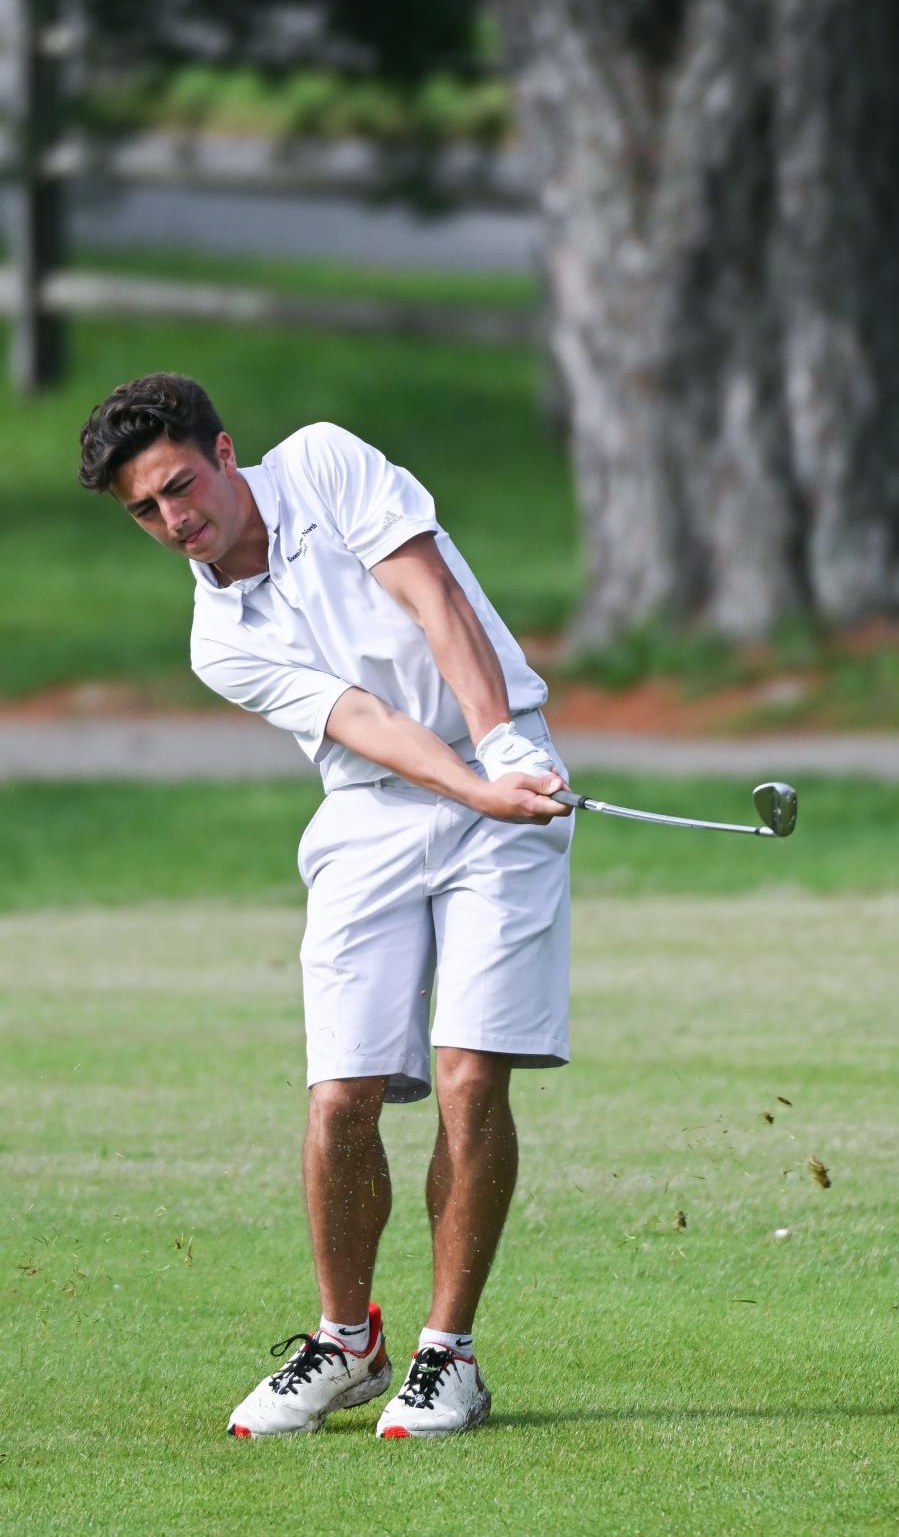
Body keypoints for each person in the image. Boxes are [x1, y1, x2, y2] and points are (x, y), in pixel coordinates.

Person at [78, 373, 574, 1440]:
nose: (175, 520)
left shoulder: (324, 461)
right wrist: (469, 781)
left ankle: (450, 1357)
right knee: (339, 1096)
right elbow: (362, 720)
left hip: (504, 761)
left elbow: (431, 596)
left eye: (179, 486)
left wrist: (501, 756)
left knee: (468, 1073)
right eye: (146, 512)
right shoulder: (219, 641)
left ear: (223, 449)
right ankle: (347, 1341)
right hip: (369, 813)